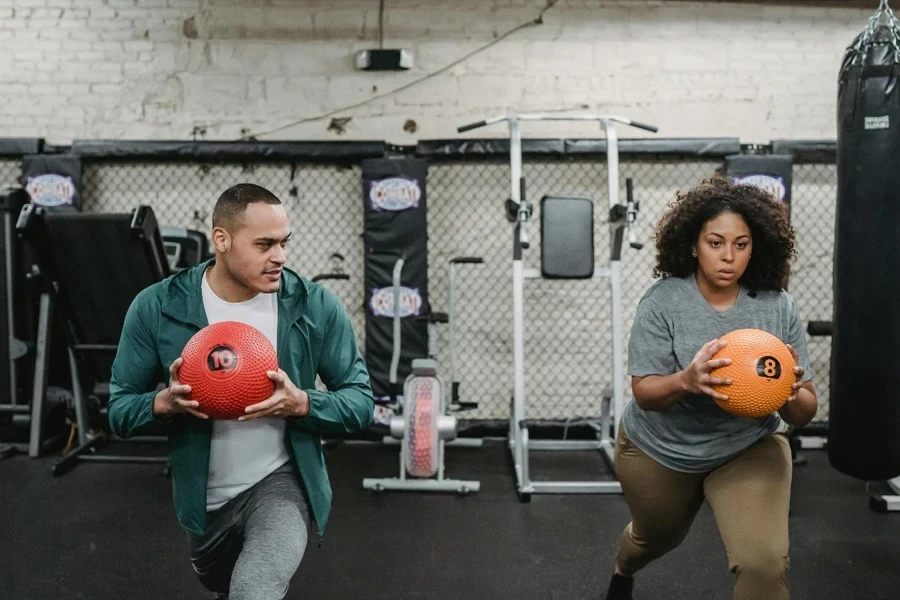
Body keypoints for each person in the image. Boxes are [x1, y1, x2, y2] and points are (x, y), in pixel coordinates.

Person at [108, 183, 374, 600]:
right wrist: (162, 403)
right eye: (265, 244)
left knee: (253, 590)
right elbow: (119, 409)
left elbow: (361, 403)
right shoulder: (157, 306)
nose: (280, 257)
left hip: (280, 484)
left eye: (285, 243)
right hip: (206, 506)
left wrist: (302, 402)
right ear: (222, 239)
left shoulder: (313, 305)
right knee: (224, 584)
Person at [604, 177, 818, 600]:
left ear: (755, 247)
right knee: (655, 538)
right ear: (692, 245)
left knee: (763, 563)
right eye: (716, 243)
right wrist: (687, 380)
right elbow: (645, 393)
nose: (728, 257)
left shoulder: (777, 305)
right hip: (661, 446)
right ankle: (623, 567)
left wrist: (790, 396)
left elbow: (806, 407)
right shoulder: (663, 301)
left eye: (741, 244)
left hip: (748, 443)